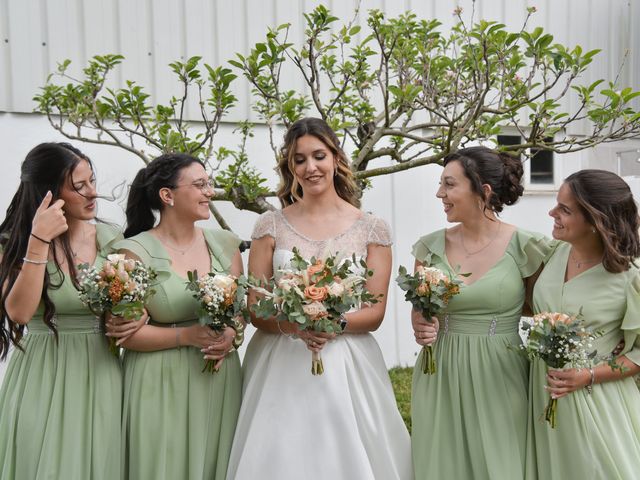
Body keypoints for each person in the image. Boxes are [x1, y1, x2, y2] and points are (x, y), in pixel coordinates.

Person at [226, 117, 412, 480]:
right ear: (290, 167)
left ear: (336, 159)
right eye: (299, 160)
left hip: (348, 361)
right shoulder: (270, 226)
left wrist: (331, 324)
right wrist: (296, 325)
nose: (310, 167)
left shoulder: (372, 228)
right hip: (280, 360)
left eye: (319, 156)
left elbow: (374, 312)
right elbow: (256, 307)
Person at [410, 146, 550, 479]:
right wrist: (420, 323)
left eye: (449, 184)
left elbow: (543, 309)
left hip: (501, 370)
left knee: (503, 463)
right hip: (440, 368)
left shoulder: (527, 246)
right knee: (444, 463)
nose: (439, 193)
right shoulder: (429, 247)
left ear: (482, 192)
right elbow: (421, 310)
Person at [0, 142, 132, 479]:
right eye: (79, 186)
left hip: (100, 372)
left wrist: (133, 315)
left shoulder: (111, 238)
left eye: (92, 181)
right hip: (42, 370)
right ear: (50, 193)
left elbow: (133, 303)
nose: (92, 193)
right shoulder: (13, 242)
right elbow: (18, 312)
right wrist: (38, 240)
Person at [113, 153, 243, 480]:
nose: (209, 192)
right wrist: (185, 336)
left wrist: (232, 334)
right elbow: (124, 333)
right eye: (199, 185)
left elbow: (242, 314)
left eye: (209, 184)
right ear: (167, 196)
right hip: (157, 380)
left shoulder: (226, 245)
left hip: (217, 378)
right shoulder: (132, 252)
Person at [525, 169, 640, 479]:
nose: (552, 213)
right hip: (542, 391)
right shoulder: (552, 254)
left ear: (596, 220)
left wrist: (587, 375)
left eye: (565, 209)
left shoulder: (631, 276)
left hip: (597, 397)